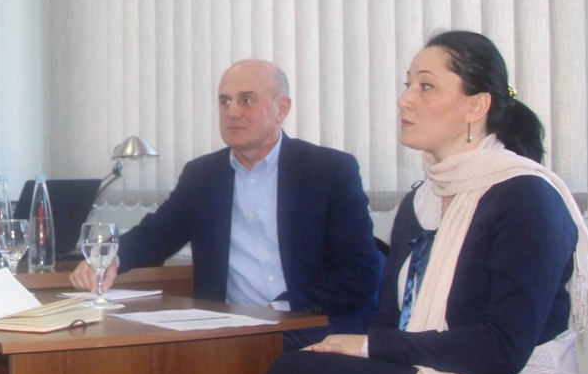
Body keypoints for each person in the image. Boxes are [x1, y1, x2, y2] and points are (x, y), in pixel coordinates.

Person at [219, 31, 588, 374]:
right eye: (407, 85)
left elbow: (501, 349)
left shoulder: (526, 197)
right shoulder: (421, 203)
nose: (404, 100)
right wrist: (364, 350)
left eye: (426, 86)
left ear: (476, 106)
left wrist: (367, 346)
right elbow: (388, 321)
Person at [70, 59, 381, 351]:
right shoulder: (203, 175)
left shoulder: (328, 171)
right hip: (230, 329)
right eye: (225, 101)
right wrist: (112, 258)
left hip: (311, 324)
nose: (232, 111)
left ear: (282, 109)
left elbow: (360, 272)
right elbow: (157, 234)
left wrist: (283, 307)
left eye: (247, 100)